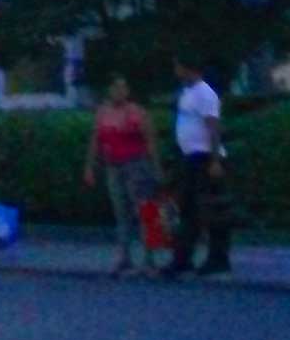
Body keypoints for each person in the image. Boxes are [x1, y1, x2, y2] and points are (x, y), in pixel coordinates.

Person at [83, 75, 163, 275]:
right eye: (116, 88)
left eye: (123, 87)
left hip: (136, 164)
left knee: (146, 210)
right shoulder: (103, 112)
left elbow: (150, 140)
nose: (120, 92)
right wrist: (90, 167)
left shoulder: (137, 112)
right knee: (121, 213)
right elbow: (96, 140)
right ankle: (125, 257)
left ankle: (150, 259)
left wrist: (156, 168)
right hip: (114, 166)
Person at [164, 56, 231, 279]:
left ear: (187, 67)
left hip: (204, 157)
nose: (175, 70)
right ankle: (183, 258)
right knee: (188, 210)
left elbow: (213, 127)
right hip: (190, 157)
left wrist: (215, 160)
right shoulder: (187, 92)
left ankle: (218, 259)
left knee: (211, 210)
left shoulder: (205, 93)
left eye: (177, 65)